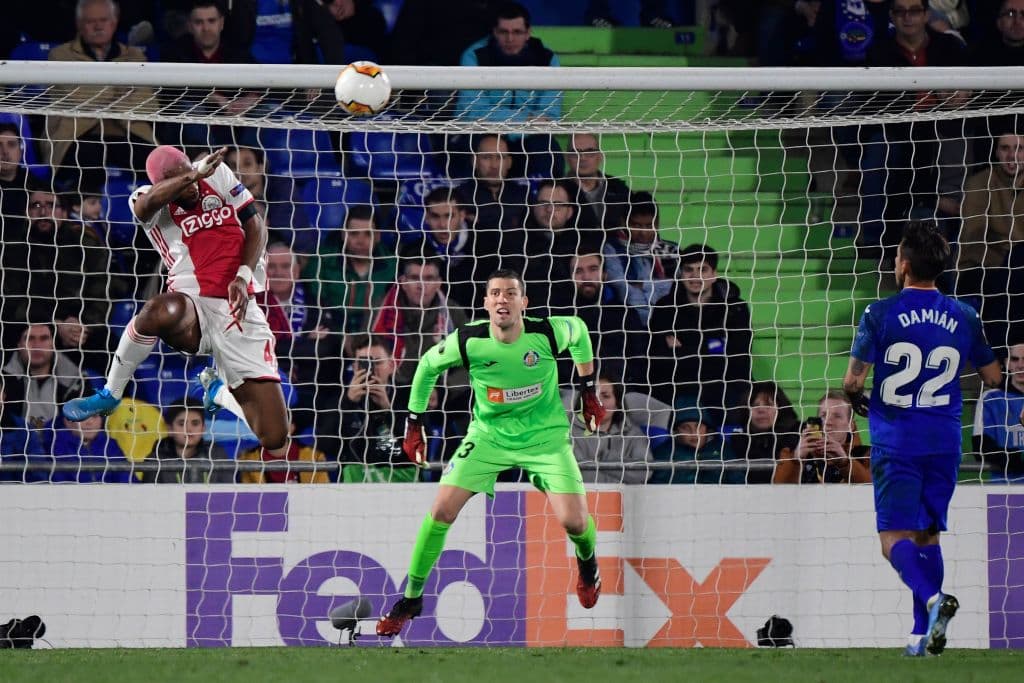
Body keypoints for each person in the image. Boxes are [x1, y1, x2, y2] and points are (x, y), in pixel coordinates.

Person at [376, 269, 607, 636]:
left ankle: (588, 565)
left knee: (575, 523)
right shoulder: (469, 339)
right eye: (496, 293)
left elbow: (579, 329)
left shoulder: (545, 332)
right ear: (485, 303)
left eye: (511, 293)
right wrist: (414, 423)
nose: (503, 299)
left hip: (545, 438)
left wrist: (588, 388)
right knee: (440, 509)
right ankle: (411, 598)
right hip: (487, 437)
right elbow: (427, 366)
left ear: (523, 303)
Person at [61, 145, 295, 480]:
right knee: (158, 310)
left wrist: (243, 277)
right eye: (183, 180)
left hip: (239, 309)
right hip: (191, 306)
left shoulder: (218, 175)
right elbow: (147, 204)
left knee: (274, 437)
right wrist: (192, 174)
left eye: (191, 175)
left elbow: (255, 224)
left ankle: (217, 392)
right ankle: (110, 394)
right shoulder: (145, 199)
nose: (193, 186)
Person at [843, 220, 1002, 656]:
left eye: (896, 255)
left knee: (892, 540)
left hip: (898, 441)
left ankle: (933, 601)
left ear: (905, 265)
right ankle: (920, 635)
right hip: (945, 440)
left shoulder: (880, 313)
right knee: (928, 534)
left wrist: (857, 397)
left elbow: (853, 381)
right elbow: (993, 375)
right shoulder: (965, 315)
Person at [45, 0, 157, 187]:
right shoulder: (60, 56)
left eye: (103, 20)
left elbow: (148, 103)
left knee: (158, 161)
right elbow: (81, 97)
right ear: (79, 24)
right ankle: (87, 212)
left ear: (114, 22)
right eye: (90, 21)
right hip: (77, 135)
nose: (98, 26)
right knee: (89, 158)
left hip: (127, 132)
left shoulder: (135, 57)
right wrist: (122, 90)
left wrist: (97, 91)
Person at [454, 3, 563, 178]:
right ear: (495, 32)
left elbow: (550, 116)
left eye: (517, 32)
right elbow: (473, 113)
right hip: (483, 133)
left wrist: (513, 129)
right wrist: (526, 119)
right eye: (504, 32)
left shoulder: (547, 58)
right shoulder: (474, 56)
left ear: (528, 33)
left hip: (527, 137)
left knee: (548, 151)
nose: (510, 39)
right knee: (468, 150)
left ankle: (543, 203)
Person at [647, 243, 752, 417]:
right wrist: (713, 345)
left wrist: (685, 349)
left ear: (714, 274)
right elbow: (659, 361)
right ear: (681, 273)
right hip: (677, 389)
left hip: (724, 388)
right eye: (689, 270)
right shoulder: (664, 308)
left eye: (702, 270)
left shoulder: (735, 308)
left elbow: (738, 359)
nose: (695, 277)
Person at [302, 204, 397, 344]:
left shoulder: (392, 265)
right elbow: (316, 306)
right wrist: (341, 336)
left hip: (377, 338)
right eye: (354, 234)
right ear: (343, 235)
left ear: (378, 236)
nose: (361, 241)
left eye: (368, 234)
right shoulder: (322, 262)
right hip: (332, 335)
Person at [371, 256, 470, 391]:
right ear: (403, 282)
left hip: (438, 395)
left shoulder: (453, 313)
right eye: (414, 278)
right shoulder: (379, 310)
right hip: (389, 390)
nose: (421, 286)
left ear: (438, 283)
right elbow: (364, 354)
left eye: (429, 278)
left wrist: (443, 390)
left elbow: (471, 363)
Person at [602, 192, 679, 327]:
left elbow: (681, 287)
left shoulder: (671, 250)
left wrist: (642, 285)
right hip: (632, 323)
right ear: (624, 222)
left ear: (658, 223)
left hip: (671, 320)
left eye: (649, 226)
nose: (644, 232)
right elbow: (624, 290)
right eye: (637, 226)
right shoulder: (612, 248)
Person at [566, 373, 654, 484]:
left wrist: (604, 458)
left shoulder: (633, 433)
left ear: (617, 404)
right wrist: (621, 477)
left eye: (605, 396)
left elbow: (644, 473)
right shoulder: (566, 432)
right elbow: (577, 477)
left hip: (625, 500)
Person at [772, 390, 872, 484]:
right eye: (824, 415)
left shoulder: (866, 456)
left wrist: (845, 462)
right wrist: (795, 461)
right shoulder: (792, 454)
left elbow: (876, 491)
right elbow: (779, 496)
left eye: (837, 416)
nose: (828, 422)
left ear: (851, 425)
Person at [2, 322, 88, 431]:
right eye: (29, 338)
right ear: (19, 345)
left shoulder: (75, 379)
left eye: (44, 338)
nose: (37, 345)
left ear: (53, 344)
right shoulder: (4, 380)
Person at [139, 400, 234, 484]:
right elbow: (149, 499)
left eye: (195, 424)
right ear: (170, 430)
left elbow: (227, 495)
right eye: (181, 424)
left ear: (203, 428)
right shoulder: (155, 459)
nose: (189, 430)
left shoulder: (216, 455)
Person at [650, 404, 743, 484]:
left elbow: (738, 482)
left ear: (707, 429)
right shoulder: (664, 454)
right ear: (676, 432)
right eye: (685, 428)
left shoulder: (723, 450)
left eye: (698, 426)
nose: (693, 433)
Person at [729, 380, 801, 484]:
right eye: (754, 405)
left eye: (768, 404)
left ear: (781, 408)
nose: (761, 409)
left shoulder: (797, 435)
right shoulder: (739, 440)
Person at [973, 339, 1024, 483]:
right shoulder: (990, 399)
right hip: (1002, 494)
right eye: (1015, 359)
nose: (1021, 365)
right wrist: (1018, 458)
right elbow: (981, 449)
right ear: (1007, 363)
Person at [562, 133, 633, 233]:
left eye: (590, 151)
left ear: (600, 156)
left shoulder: (619, 189)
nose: (582, 158)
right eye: (575, 152)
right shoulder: (556, 190)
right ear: (567, 157)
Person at [973, 0, 1024, 65]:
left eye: (1023, 14)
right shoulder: (981, 55)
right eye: (1010, 14)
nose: (1017, 22)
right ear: (999, 21)